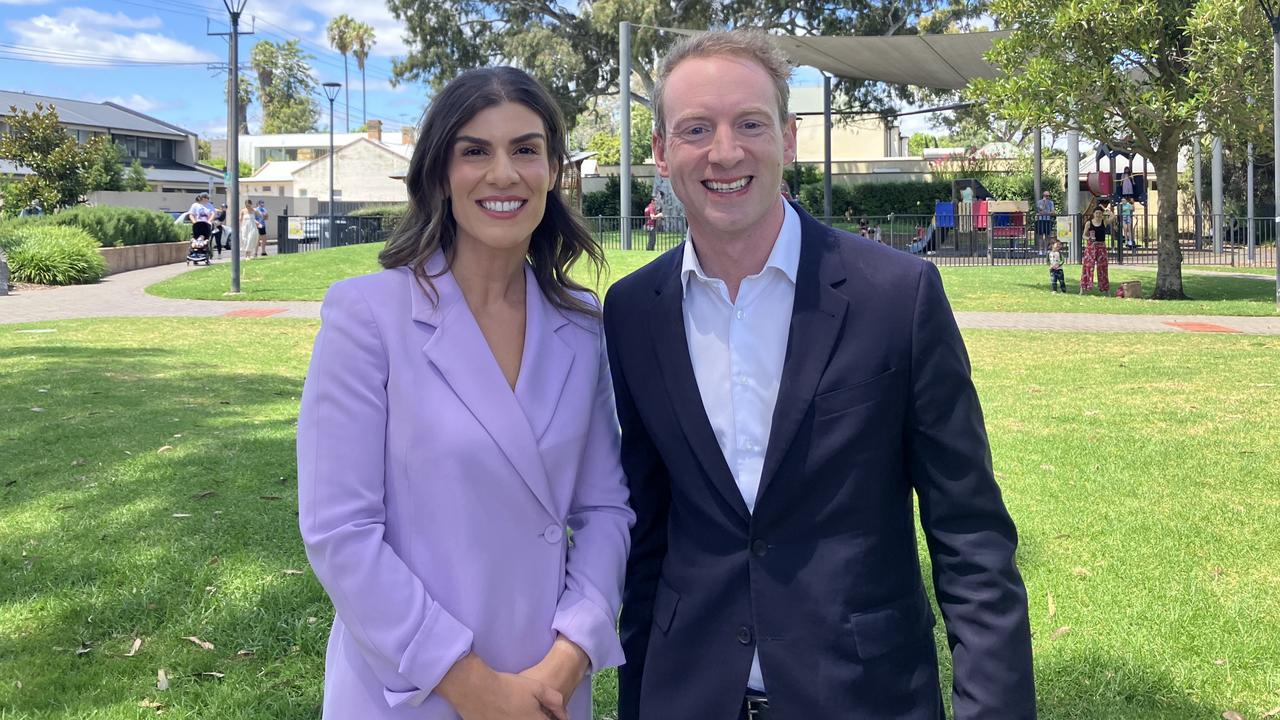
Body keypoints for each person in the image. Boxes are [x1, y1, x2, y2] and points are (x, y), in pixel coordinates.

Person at [603, 29, 1035, 720]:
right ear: (659, 151)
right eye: (695, 129)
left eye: (750, 123)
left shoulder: (897, 296)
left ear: (789, 137)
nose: (725, 151)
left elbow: (971, 537)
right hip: (686, 695)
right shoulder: (631, 312)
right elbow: (648, 537)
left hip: (864, 696)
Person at [296, 66, 634, 720]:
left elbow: (606, 510)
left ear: (553, 171)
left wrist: (571, 655)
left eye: (526, 150)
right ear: (438, 174)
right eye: (474, 150)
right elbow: (340, 531)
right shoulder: (368, 316)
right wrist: (473, 686)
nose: (503, 173)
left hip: (546, 691)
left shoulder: (582, 325)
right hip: (410, 690)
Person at [1081, 204, 1111, 294]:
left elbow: (1113, 217)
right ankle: (1084, 288)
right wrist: (1089, 238)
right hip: (1091, 247)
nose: (1098, 214)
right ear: (1093, 214)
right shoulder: (1089, 223)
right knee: (1088, 267)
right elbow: (1084, 235)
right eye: (1096, 213)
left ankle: (1105, 289)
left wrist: (1106, 210)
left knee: (1103, 267)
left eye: (1099, 213)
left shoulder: (1104, 222)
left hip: (1101, 247)